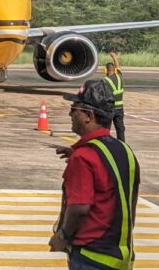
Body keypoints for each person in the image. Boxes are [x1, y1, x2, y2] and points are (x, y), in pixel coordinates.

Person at [49, 79, 140, 269]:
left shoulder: (84, 158)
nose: (70, 114)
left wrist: (62, 237)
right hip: (121, 256)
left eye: (74, 109)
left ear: (88, 116)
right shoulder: (124, 151)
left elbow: (80, 209)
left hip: (91, 257)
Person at [103, 53, 125, 142]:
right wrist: (114, 57)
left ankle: (106, 144)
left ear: (105, 70)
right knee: (120, 129)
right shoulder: (120, 77)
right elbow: (118, 67)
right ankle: (122, 144)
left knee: (106, 129)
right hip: (120, 108)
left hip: (109, 109)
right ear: (114, 70)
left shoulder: (105, 80)